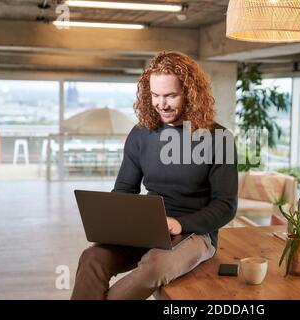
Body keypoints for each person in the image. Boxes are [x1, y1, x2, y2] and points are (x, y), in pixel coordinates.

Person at [70, 51, 238, 300]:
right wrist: (114, 221)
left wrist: (181, 224)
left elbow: (226, 205)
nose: (162, 104)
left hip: (196, 234)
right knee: (92, 258)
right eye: (156, 95)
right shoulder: (141, 134)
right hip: (146, 228)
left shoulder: (218, 138)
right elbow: (124, 190)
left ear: (191, 94)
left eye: (171, 95)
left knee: (155, 267)